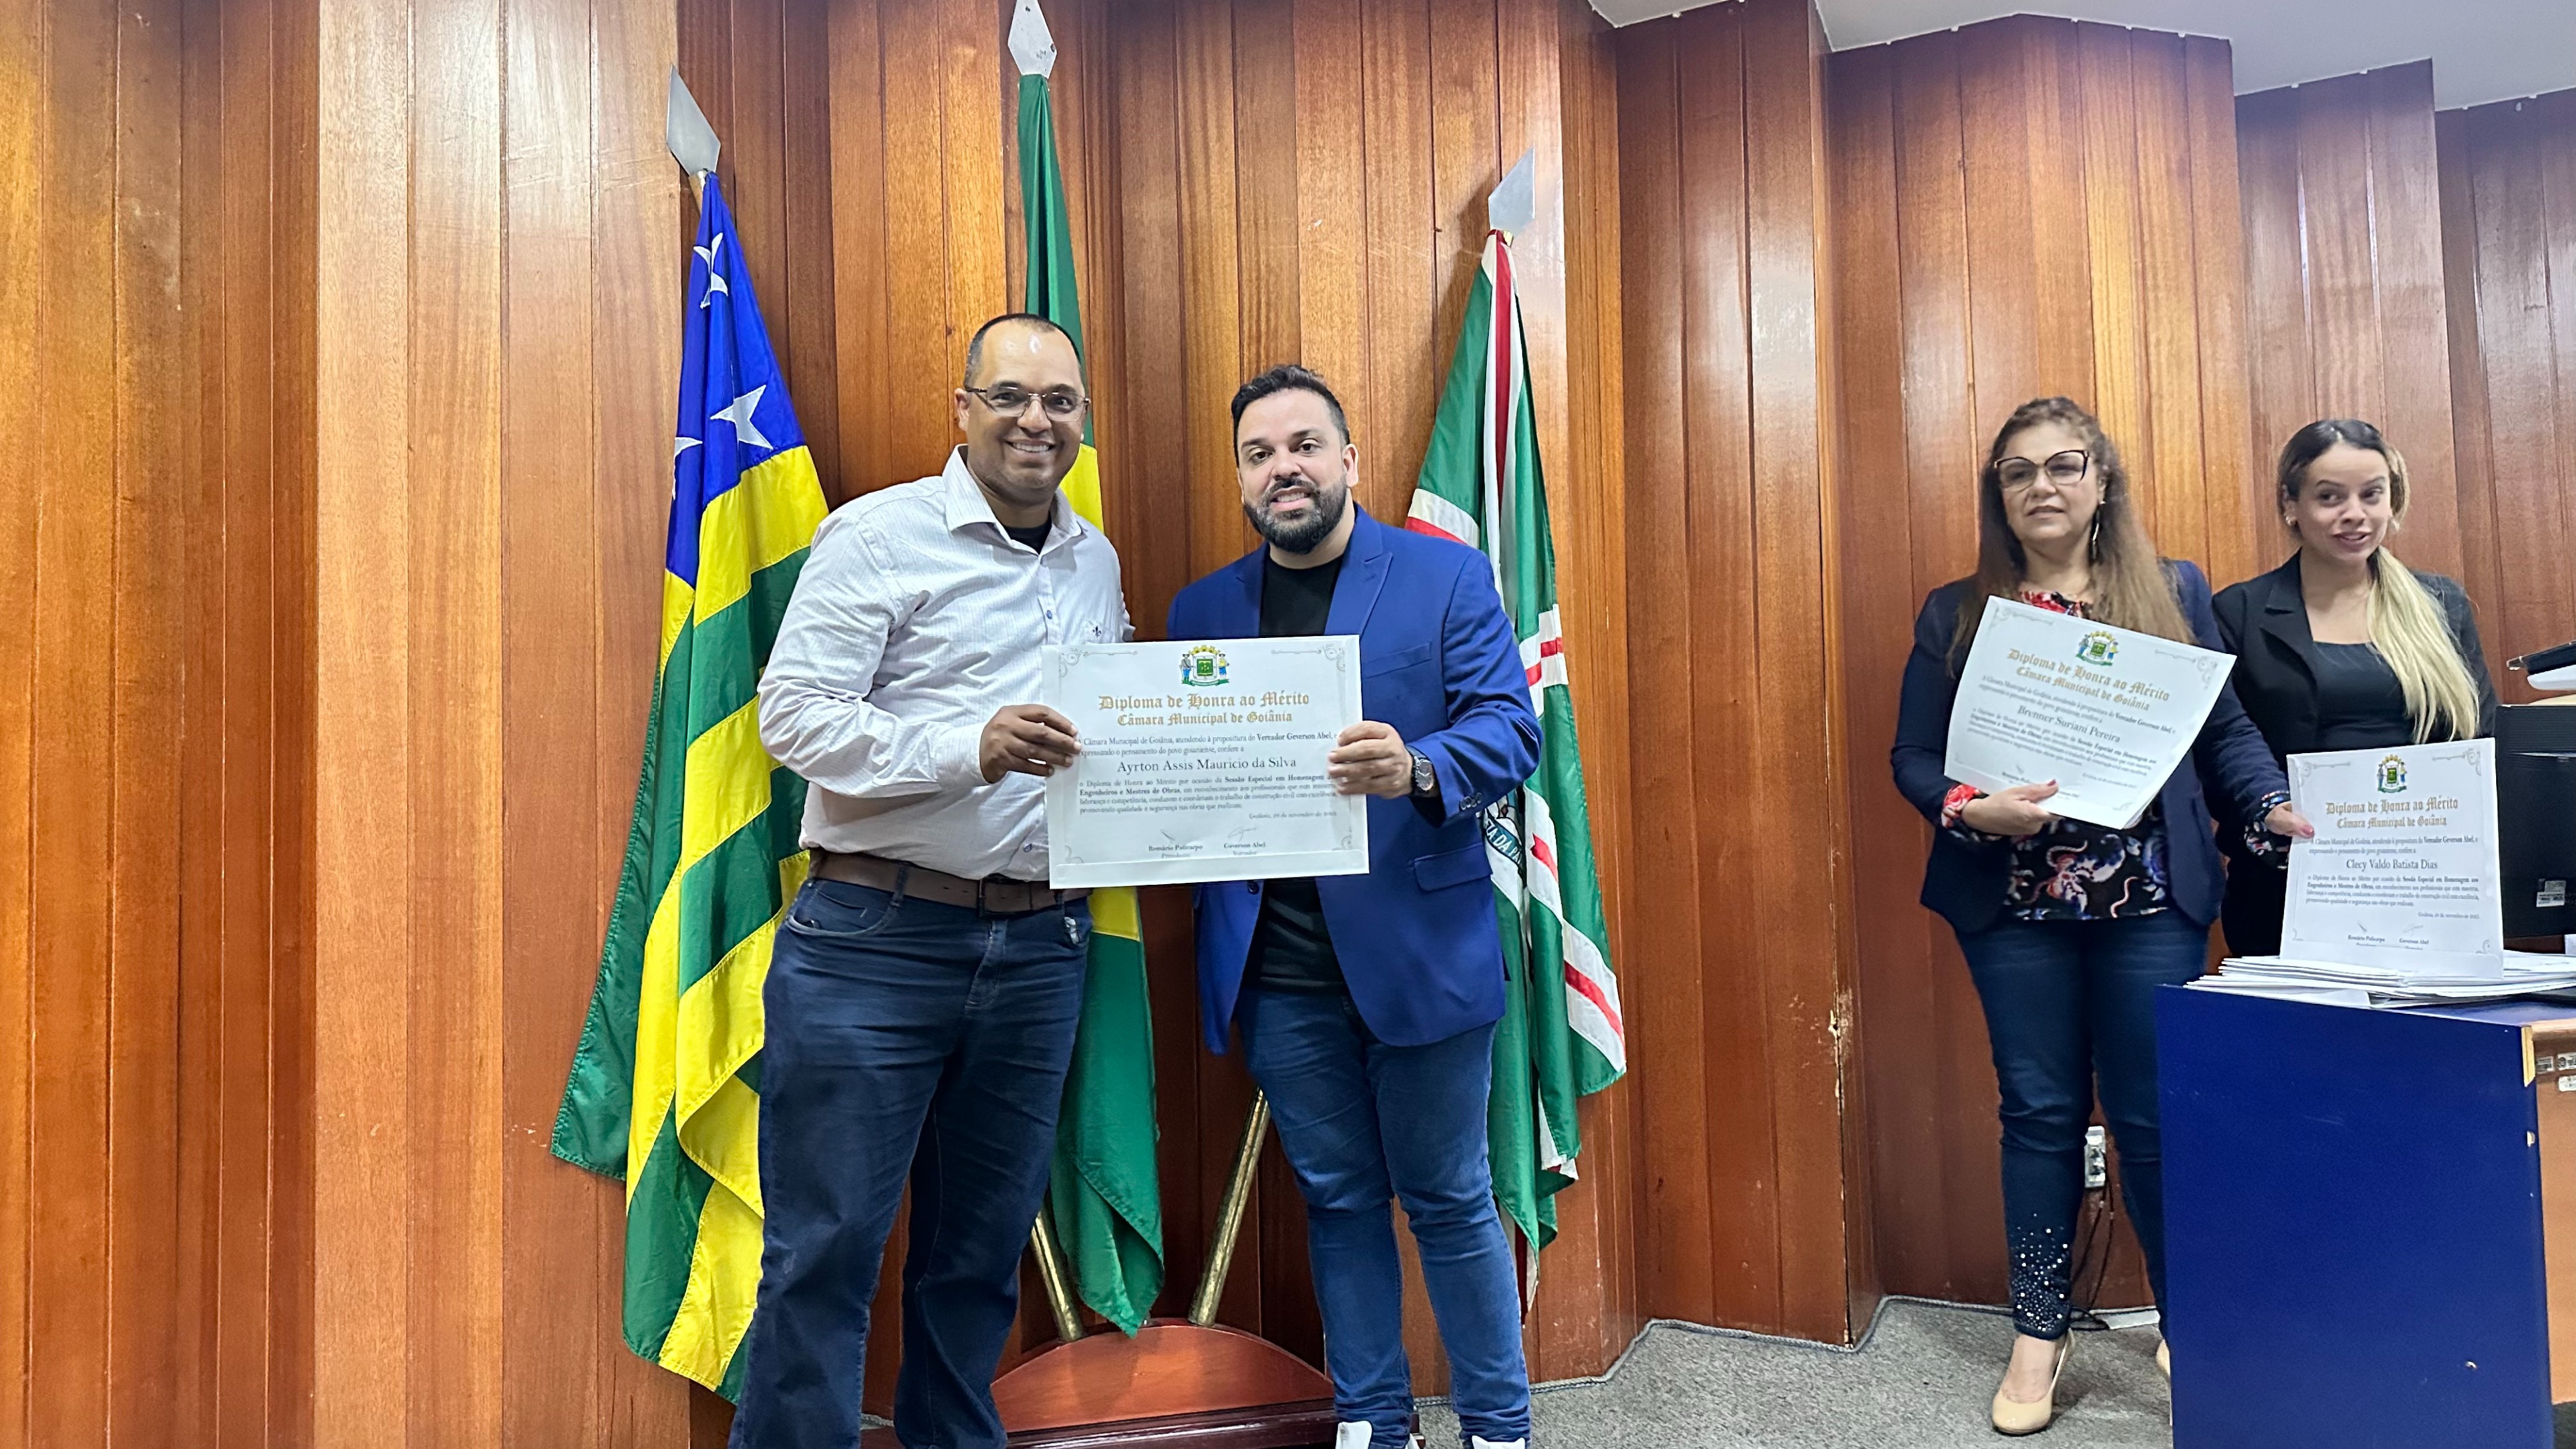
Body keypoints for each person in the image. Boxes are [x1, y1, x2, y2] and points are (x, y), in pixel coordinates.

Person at [733, 314, 1129, 1449]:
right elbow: (791, 718)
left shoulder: (1094, 558)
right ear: (963, 410)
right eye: (1009, 396)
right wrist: (971, 746)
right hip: (875, 939)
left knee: (979, 1254)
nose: (1035, 421)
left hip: (1041, 948)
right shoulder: (878, 534)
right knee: (824, 1251)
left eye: (1059, 400)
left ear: (1081, 418)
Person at [1889, 397, 2312, 1436]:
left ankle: (2185, 1316)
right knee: (2039, 1112)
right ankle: (2041, 1327)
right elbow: (1913, 755)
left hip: (2151, 900)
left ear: (2101, 479)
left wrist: (2265, 802)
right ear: (1998, 491)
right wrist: (1965, 806)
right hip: (2012, 902)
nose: (2042, 484)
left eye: (2064, 464)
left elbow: (2224, 728)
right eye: (2018, 470)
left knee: (2154, 1115)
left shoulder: (2172, 590)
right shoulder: (1957, 610)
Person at [1169, 366, 1540, 1449]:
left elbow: (1511, 729)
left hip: (1422, 956)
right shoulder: (1202, 611)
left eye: (1303, 445)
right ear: (1241, 477)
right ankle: (1373, 1418)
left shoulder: (1444, 575)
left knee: (1450, 1198)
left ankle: (1499, 1424)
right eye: (1258, 453)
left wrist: (1418, 766)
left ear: (1348, 460)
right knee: (1336, 1200)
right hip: (1278, 974)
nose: (1282, 467)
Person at [2211, 418, 2499, 957]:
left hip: (2429, 886)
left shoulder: (2441, 604)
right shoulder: (2239, 612)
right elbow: (2221, 742)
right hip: (2289, 884)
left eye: (2372, 495)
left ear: (2393, 500)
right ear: (2291, 504)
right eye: (2329, 497)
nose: (2355, 514)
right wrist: (2266, 806)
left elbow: (2481, 737)